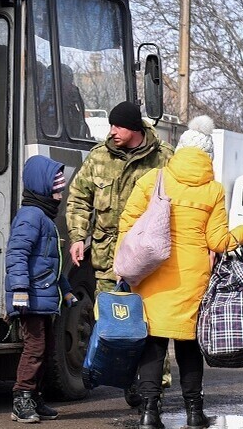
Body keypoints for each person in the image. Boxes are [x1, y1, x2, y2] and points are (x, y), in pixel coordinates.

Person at [116, 116, 243, 429]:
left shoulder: (154, 179)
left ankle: (149, 413)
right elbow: (218, 241)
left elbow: (127, 224)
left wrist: (127, 262)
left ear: (180, 150)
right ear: (208, 156)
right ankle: (195, 413)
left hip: (152, 272)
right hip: (193, 277)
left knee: (153, 343)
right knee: (188, 345)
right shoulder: (213, 190)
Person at [66, 101, 174, 395]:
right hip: (108, 258)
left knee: (149, 322)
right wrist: (78, 236)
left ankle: (150, 387)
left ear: (134, 128)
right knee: (112, 321)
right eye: (111, 125)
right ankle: (116, 376)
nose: (112, 131)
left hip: (149, 259)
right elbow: (78, 199)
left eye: (118, 126)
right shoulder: (99, 157)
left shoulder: (164, 158)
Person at [5, 155, 71, 423]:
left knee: (46, 347)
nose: (60, 196)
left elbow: (50, 263)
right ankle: (21, 398)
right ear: (41, 187)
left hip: (42, 296)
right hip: (30, 297)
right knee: (34, 348)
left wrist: (66, 290)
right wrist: (20, 289)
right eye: (56, 190)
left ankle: (34, 396)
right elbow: (17, 253)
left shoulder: (43, 217)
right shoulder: (31, 216)